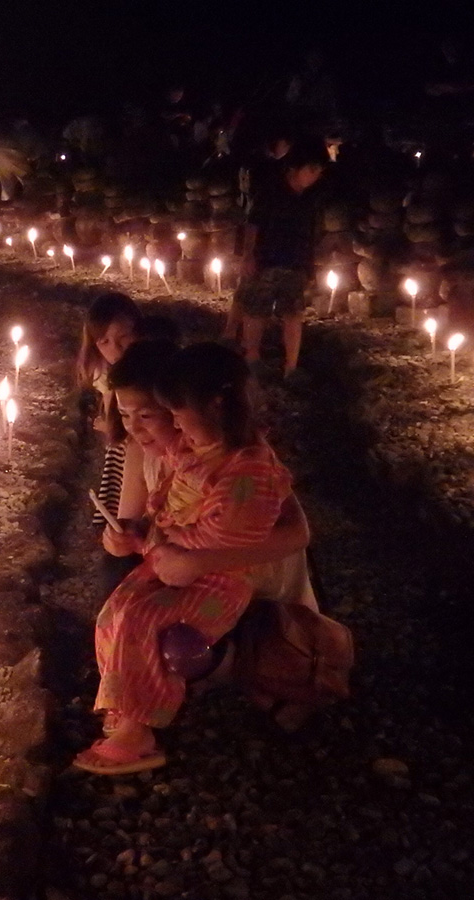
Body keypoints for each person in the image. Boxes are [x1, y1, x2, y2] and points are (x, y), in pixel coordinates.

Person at [72, 343, 294, 775]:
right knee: (113, 612)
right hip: (171, 562)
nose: (142, 427)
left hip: (218, 578)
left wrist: (164, 541)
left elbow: (224, 535)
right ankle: (124, 707)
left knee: (141, 619)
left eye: (157, 414)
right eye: (126, 414)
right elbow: (155, 510)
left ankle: (140, 731)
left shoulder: (244, 467)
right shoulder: (186, 450)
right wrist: (131, 535)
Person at [105, 340, 316, 611]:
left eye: (146, 415)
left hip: (266, 602)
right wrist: (121, 538)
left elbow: (298, 533)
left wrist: (197, 563)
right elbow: (140, 521)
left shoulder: (240, 455)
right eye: (124, 415)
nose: (134, 428)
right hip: (194, 589)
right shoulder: (142, 453)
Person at [232, 140, 328, 380]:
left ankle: (291, 367)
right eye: (312, 170)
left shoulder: (310, 197)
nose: (315, 177)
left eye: (319, 172)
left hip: (294, 262)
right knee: (257, 310)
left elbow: (310, 231)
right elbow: (253, 224)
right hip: (266, 259)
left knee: (293, 313)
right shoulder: (270, 190)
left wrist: (309, 265)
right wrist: (249, 255)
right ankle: (252, 357)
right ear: (295, 168)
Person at [76, 293, 142, 547]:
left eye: (124, 339)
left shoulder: (146, 377)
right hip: (120, 449)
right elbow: (109, 406)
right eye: (104, 342)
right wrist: (108, 424)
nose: (115, 350)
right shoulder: (106, 373)